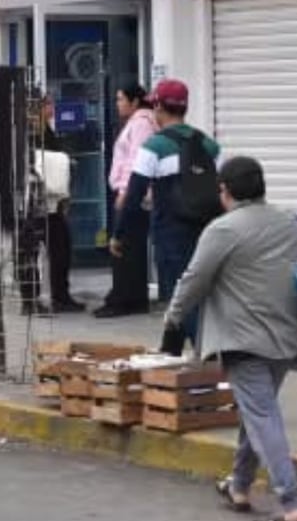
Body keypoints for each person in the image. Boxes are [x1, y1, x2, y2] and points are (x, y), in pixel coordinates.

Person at [164, 156, 297, 521]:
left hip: (244, 341)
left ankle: (291, 505)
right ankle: (239, 486)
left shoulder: (222, 230)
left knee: (262, 417)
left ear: (224, 191)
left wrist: (173, 317)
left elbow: (194, 279)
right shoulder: (292, 222)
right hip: (287, 339)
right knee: (256, 411)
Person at [111, 79, 220, 350]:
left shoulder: (154, 146)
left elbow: (134, 194)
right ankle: (169, 354)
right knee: (192, 293)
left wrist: (119, 234)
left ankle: (205, 357)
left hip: (170, 233)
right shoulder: (208, 144)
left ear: (158, 106)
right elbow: (222, 189)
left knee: (179, 295)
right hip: (206, 232)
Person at [95, 84, 157, 319]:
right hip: (133, 193)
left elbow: (135, 160)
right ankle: (131, 297)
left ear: (134, 102)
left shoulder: (141, 123)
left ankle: (123, 299)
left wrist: (124, 192)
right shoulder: (139, 121)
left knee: (121, 246)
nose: (118, 103)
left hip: (130, 194)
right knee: (132, 246)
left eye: (121, 99)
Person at [25, 92, 83, 313]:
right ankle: (36, 298)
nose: (52, 108)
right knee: (37, 248)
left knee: (59, 246)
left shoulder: (46, 131)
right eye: (48, 104)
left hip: (50, 199)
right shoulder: (31, 133)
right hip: (37, 199)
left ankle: (57, 295)